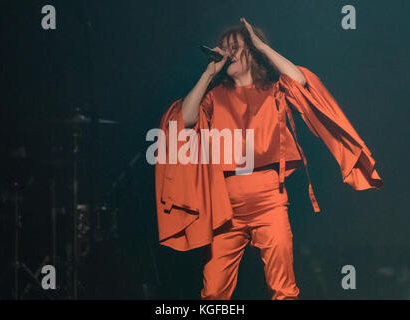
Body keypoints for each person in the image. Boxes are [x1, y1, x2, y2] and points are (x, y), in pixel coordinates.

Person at [154, 18, 382, 300]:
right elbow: (184, 119)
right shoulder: (215, 96)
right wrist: (208, 73)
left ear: (252, 52)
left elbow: (301, 80)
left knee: (283, 290)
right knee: (213, 293)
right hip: (226, 207)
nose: (228, 53)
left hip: (269, 201)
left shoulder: (275, 89)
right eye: (224, 48)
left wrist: (262, 47)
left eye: (235, 48)